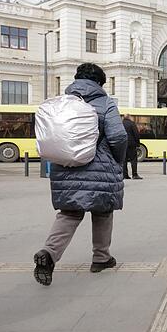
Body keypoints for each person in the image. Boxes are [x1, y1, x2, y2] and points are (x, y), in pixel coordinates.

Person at [33, 63, 127, 286]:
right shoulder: (105, 103)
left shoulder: (61, 102)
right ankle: (101, 258)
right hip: (100, 168)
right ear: (100, 83)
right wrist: (118, 160)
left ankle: (49, 253)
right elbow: (118, 137)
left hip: (64, 167)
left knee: (69, 214)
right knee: (103, 212)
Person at [122, 114, 142, 180]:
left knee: (124, 160)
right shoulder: (132, 124)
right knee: (133, 160)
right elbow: (136, 134)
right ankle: (134, 174)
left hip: (123, 144)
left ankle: (125, 175)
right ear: (129, 117)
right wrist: (138, 143)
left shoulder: (120, 124)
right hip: (131, 145)